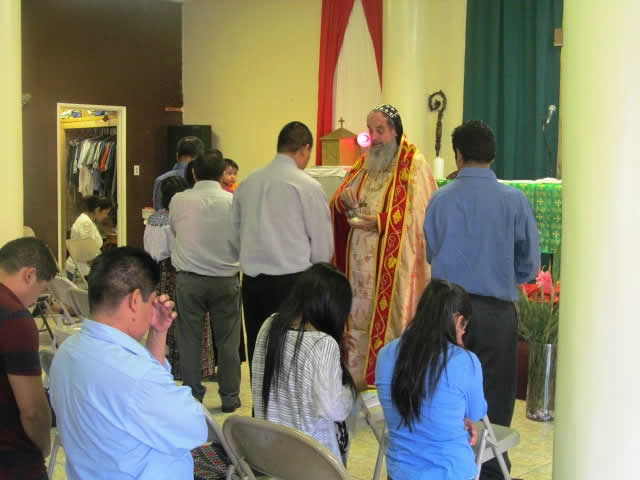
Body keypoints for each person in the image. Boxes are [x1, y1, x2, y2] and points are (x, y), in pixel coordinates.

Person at [424, 120, 540, 480]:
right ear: (492, 156)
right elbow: (530, 266)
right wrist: (503, 273)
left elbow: (431, 252)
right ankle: (489, 470)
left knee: (443, 390)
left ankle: (447, 467)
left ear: (458, 155)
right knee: (495, 398)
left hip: (445, 311)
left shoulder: (440, 198)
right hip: (495, 314)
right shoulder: (514, 200)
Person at [49, 247, 208, 479]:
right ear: (134, 300)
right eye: (150, 302)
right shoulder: (135, 375)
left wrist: (157, 333)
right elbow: (195, 430)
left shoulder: (67, 352)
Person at [330, 104, 438, 387]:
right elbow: (338, 200)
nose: (374, 138)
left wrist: (380, 222)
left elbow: (421, 218)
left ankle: (383, 381)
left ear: (395, 131)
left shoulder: (414, 165)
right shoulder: (364, 163)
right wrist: (343, 202)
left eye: (380, 130)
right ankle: (353, 380)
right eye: (371, 130)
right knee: (356, 319)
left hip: (389, 266)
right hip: (357, 270)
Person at [231, 121, 333, 372]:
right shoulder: (308, 186)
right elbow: (323, 246)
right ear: (305, 149)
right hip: (294, 284)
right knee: (292, 360)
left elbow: (233, 236)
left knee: (260, 354)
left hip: (253, 284)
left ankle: (261, 398)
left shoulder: (248, 182)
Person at [376, 279, 487, 480]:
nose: (463, 332)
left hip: (399, 474)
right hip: (451, 473)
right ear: (458, 320)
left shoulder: (385, 354)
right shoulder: (465, 361)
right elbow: (476, 412)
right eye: (464, 326)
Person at [252, 263, 358, 464]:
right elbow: (335, 409)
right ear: (333, 310)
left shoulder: (269, 326)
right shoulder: (323, 344)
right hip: (314, 464)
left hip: (270, 458)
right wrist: (353, 386)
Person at [170, 150, 241, 411]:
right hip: (225, 279)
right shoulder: (233, 202)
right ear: (223, 173)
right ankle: (230, 397)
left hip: (190, 280)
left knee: (189, 340)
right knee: (228, 342)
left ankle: (193, 396)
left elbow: (174, 230)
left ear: (194, 173)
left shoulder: (179, 200)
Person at [143, 175, 215, 380]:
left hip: (157, 275)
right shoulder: (182, 220)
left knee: (163, 322)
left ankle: (165, 363)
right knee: (188, 320)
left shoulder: (152, 220)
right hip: (180, 271)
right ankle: (192, 368)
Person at [0, 237, 57, 480]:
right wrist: (42, 447)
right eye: (42, 289)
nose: (35, 301)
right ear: (29, 275)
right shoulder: (14, 317)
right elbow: (32, 410)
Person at [65, 195, 112, 281]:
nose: (106, 216)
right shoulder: (85, 223)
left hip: (84, 268)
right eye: (105, 213)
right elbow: (88, 254)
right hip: (81, 271)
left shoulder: (87, 221)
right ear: (97, 210)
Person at [152, 135, 205, 210]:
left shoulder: (161, 180)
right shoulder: (204, 179)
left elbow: (158, 210)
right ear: (200, 157)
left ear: (177, 155)